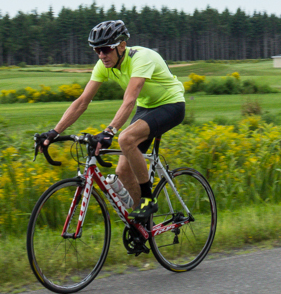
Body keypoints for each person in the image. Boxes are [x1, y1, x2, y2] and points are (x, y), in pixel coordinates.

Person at [39, 20, 185, 217]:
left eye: (106, 49)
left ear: (122, 45)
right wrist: (55, 132)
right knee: (123, 171)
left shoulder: (142, 58)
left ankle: (148, 200)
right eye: (97, 50)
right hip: (147, 107)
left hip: (171, 104)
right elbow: (82, 101)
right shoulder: (103, 65)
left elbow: (130, 99)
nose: (101, 55)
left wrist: (109, 131)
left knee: (125, 138)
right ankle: (142, 225)